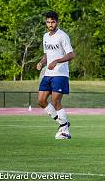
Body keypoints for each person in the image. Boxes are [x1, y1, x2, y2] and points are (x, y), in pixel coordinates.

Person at [36, 11, 76, 139]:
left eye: (53, 22)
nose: (50, 24)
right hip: (48, 74)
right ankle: (63, 123)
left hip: (60, 74)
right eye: (48, 22)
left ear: (57, 22)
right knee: (41, 101)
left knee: (55, 100)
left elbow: (71, 54)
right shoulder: (45, 37)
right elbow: (47, 54)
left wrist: (57, 61)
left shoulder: (63, 36)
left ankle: (65, 131)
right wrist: (42, 62)